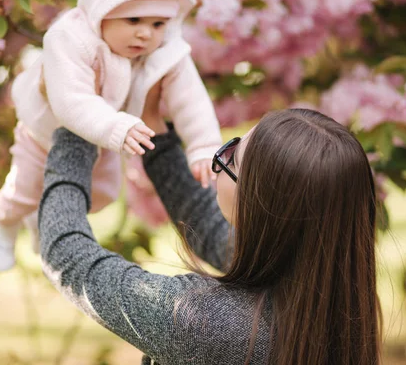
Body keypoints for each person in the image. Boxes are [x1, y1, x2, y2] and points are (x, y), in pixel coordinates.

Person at [37, 90, 381, 364]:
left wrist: (77, 118)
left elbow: (68, 257)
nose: (219, 164)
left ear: (260, 205)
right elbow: (210, 225)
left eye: (232, 158)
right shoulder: (332, 300)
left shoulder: (204, 322)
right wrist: (155, 133)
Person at [0, 0, 222, 271]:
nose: (145, 33)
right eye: (133, 19)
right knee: (21, 191)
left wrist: (203, 146)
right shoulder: (71, 38)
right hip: (43, 136)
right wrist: (117, 126)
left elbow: (191, 99)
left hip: (105, 138)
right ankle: (3, 229)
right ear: (102, 9)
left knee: (104, 193)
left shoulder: (163, 49)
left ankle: (42, 219)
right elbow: (71, 100)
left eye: (158, 23)